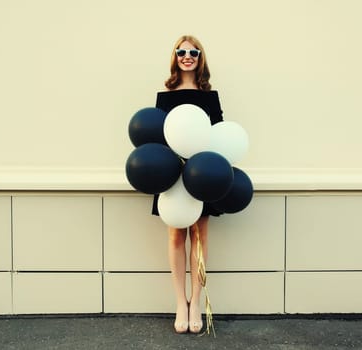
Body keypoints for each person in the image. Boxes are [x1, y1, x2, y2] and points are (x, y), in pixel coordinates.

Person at [151, 35, 224, 334]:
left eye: (193, 52)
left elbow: (218, 135)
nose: (187, 56)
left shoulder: (211, 97)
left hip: (203, 173)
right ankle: (180, 302)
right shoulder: (164, 97)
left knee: (200, 239)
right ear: (175, 57)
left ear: (200, 58)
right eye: (181, 52)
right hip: (171, 175)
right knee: (176, 238)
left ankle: (197, 301)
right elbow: (157, 137)